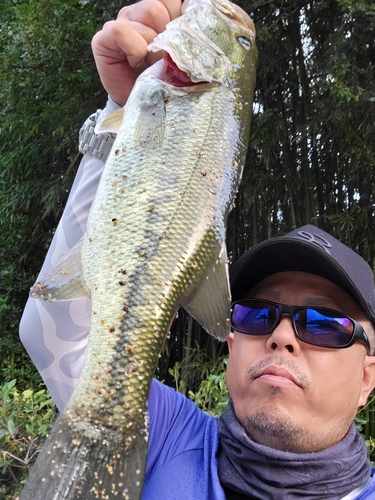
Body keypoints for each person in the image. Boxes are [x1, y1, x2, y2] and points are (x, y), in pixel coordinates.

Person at [20, 0, 375, 498]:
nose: (282, 338)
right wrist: (119, 115)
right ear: (231, 344)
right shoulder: (164, 437)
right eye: (255, 315)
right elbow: (52, 338)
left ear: (367, 378)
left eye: (325, 324)